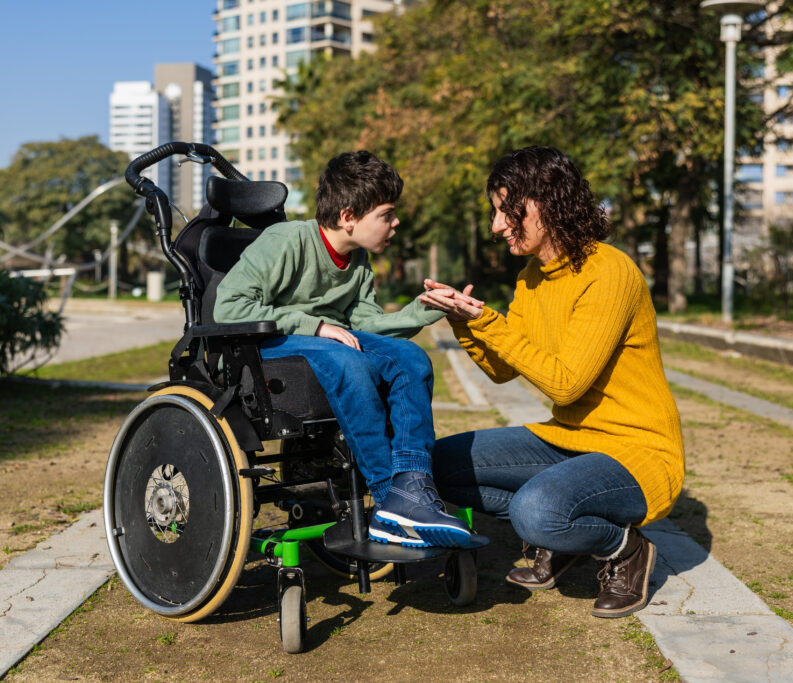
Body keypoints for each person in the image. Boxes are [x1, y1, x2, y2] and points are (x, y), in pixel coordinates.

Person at [418, 146, 684, 617]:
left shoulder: (609, 272)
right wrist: (465, 321)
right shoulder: (531, 278)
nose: (496, 226)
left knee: (535, 513)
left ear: (542, 202)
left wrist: (491, 323)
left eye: (506, 212)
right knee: (435, 467)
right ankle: (562, 526)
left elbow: (566, 385)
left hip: (636, 451)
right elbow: (502, 371)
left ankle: (622, 547)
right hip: (567, 440)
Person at [214, 150, 472, 548]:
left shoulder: (357, 259)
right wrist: (315, 326)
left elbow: (366, 324)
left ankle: (413, 485)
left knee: (409, 359)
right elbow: (228, 307)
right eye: (387, 214)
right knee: (347, 360)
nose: (396, 222)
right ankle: (388, 496)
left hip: (330, 343)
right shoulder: (287, 241)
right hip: (269, 349)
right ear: (349, 215)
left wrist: (422, 310)